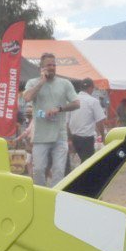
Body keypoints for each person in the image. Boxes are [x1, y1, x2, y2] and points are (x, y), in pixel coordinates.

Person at [23, 51, 78, 184]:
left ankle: (54, 198)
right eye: (48, 65)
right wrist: (42, 82)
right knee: (39, 170)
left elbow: (76, 103)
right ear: (41, 68)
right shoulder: (32, 83)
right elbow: (27, 97)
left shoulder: (65, 83)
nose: (52, 67)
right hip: (41, 137)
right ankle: (41, 196)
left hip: (60, 135)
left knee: (59, 171)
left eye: (54, 65)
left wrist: (59, 109)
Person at [68, 78, 106, 162]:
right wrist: (103, 136)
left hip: (73, 137)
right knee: (87, 165)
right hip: (86, 139)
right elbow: (99, 121)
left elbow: (66, 122)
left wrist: (69, 138)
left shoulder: (72, 100)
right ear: (90, 88)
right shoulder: (93, 101)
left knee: (73, 164)